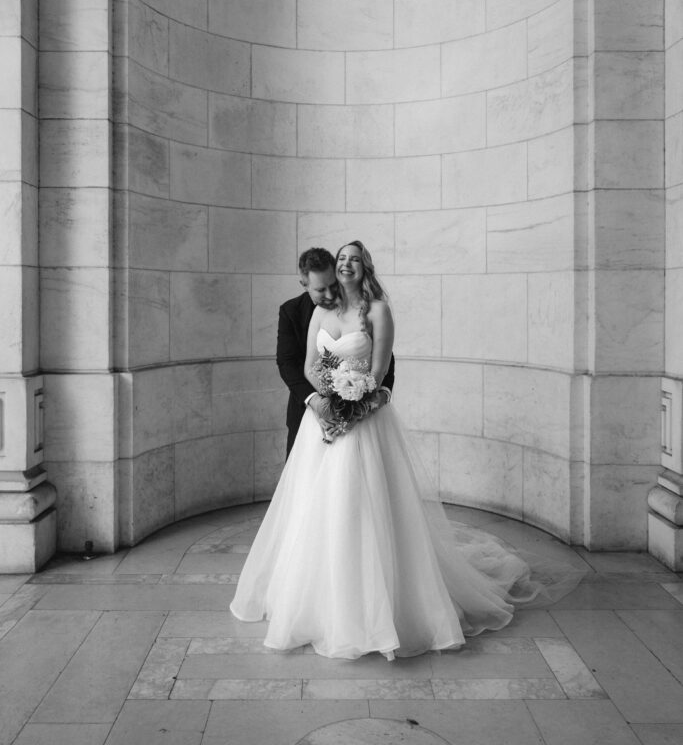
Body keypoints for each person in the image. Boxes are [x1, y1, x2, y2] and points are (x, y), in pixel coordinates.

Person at [231, 240, 581, 660]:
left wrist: (355, 402)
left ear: (365, 268)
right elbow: (304, 365)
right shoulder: (317, 312)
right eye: (341, 259)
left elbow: (380, 371)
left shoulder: (378, 311)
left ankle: (380, 607)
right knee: (313, 509)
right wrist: (325, 400)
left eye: (353, 260)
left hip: (363, 423)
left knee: (363, 509)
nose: (345, 266)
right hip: (317, 422)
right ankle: (310, 600)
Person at [277, 246, 394, 456]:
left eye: (332, 285)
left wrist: (358, 408)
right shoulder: (291, 311)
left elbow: (384, 361)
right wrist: (321, 403)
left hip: (362, 415)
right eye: (321, 290)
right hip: (308, 412)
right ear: (304, 285)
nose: (330, 294)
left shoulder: (371, 310)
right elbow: (288, 364)